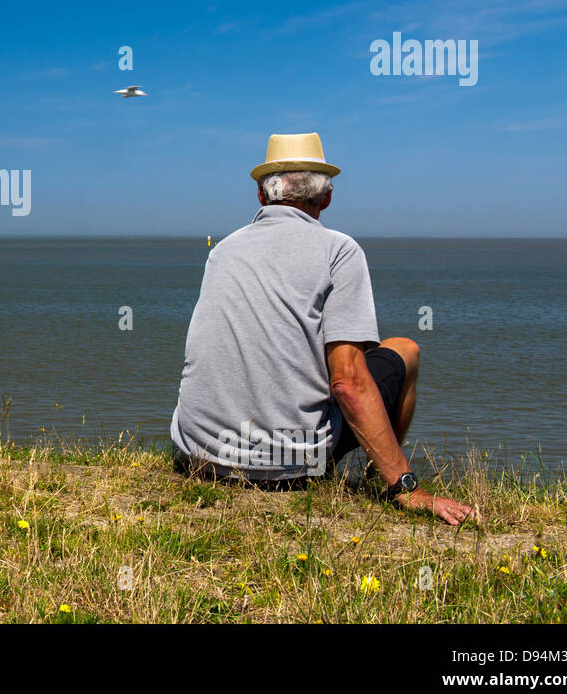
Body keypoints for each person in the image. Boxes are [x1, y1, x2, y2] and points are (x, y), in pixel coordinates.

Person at [169, 132, 477, 525]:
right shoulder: (339, 250)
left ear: (261, 196)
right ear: (326, 199)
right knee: (404, 350)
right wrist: (409, 486)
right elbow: (346, 381)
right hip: (290, 471)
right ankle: (389, 482)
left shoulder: (223, 251)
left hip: (200, 457)